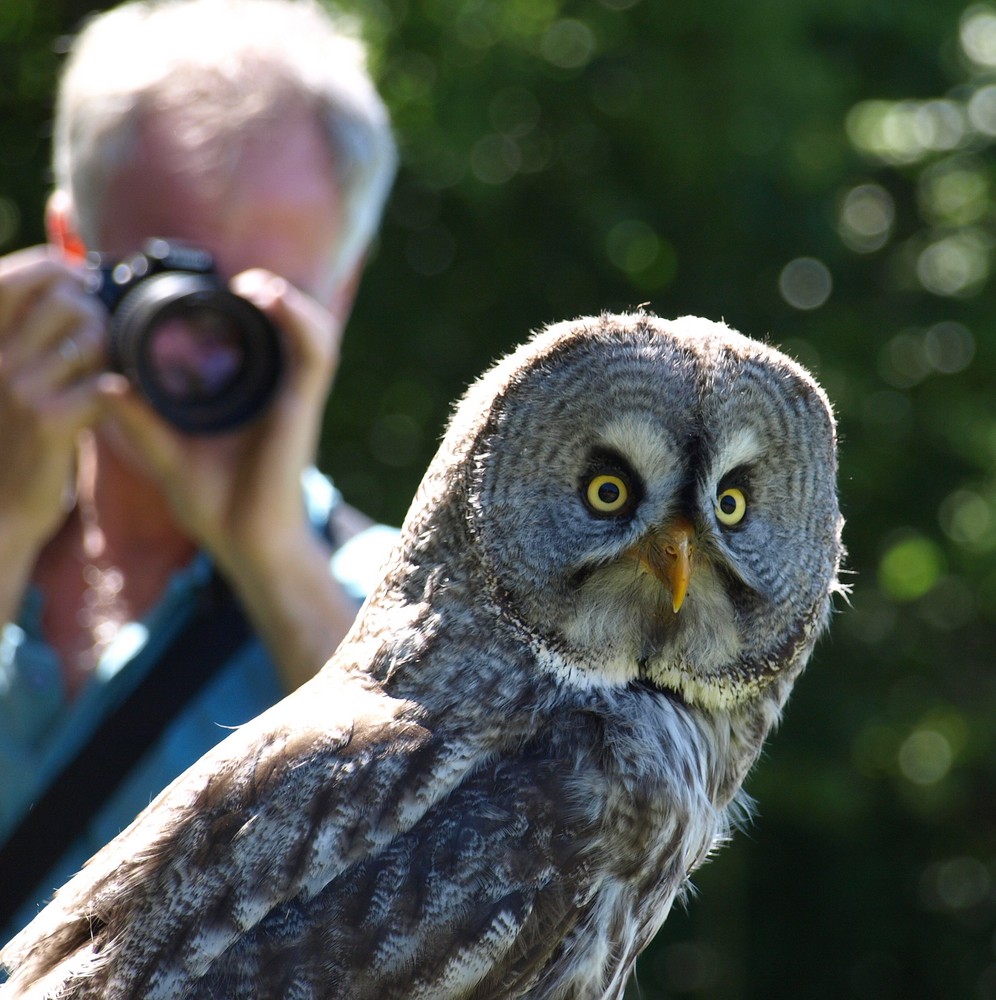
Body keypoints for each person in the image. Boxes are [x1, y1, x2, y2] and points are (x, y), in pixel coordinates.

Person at [0, 0, 397, 938]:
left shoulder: (402, 618)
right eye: (172, 285)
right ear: (70, 253)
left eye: (255, 307)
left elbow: (465, 907)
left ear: (342, 286)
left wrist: (273, 560)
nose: (198, 351)